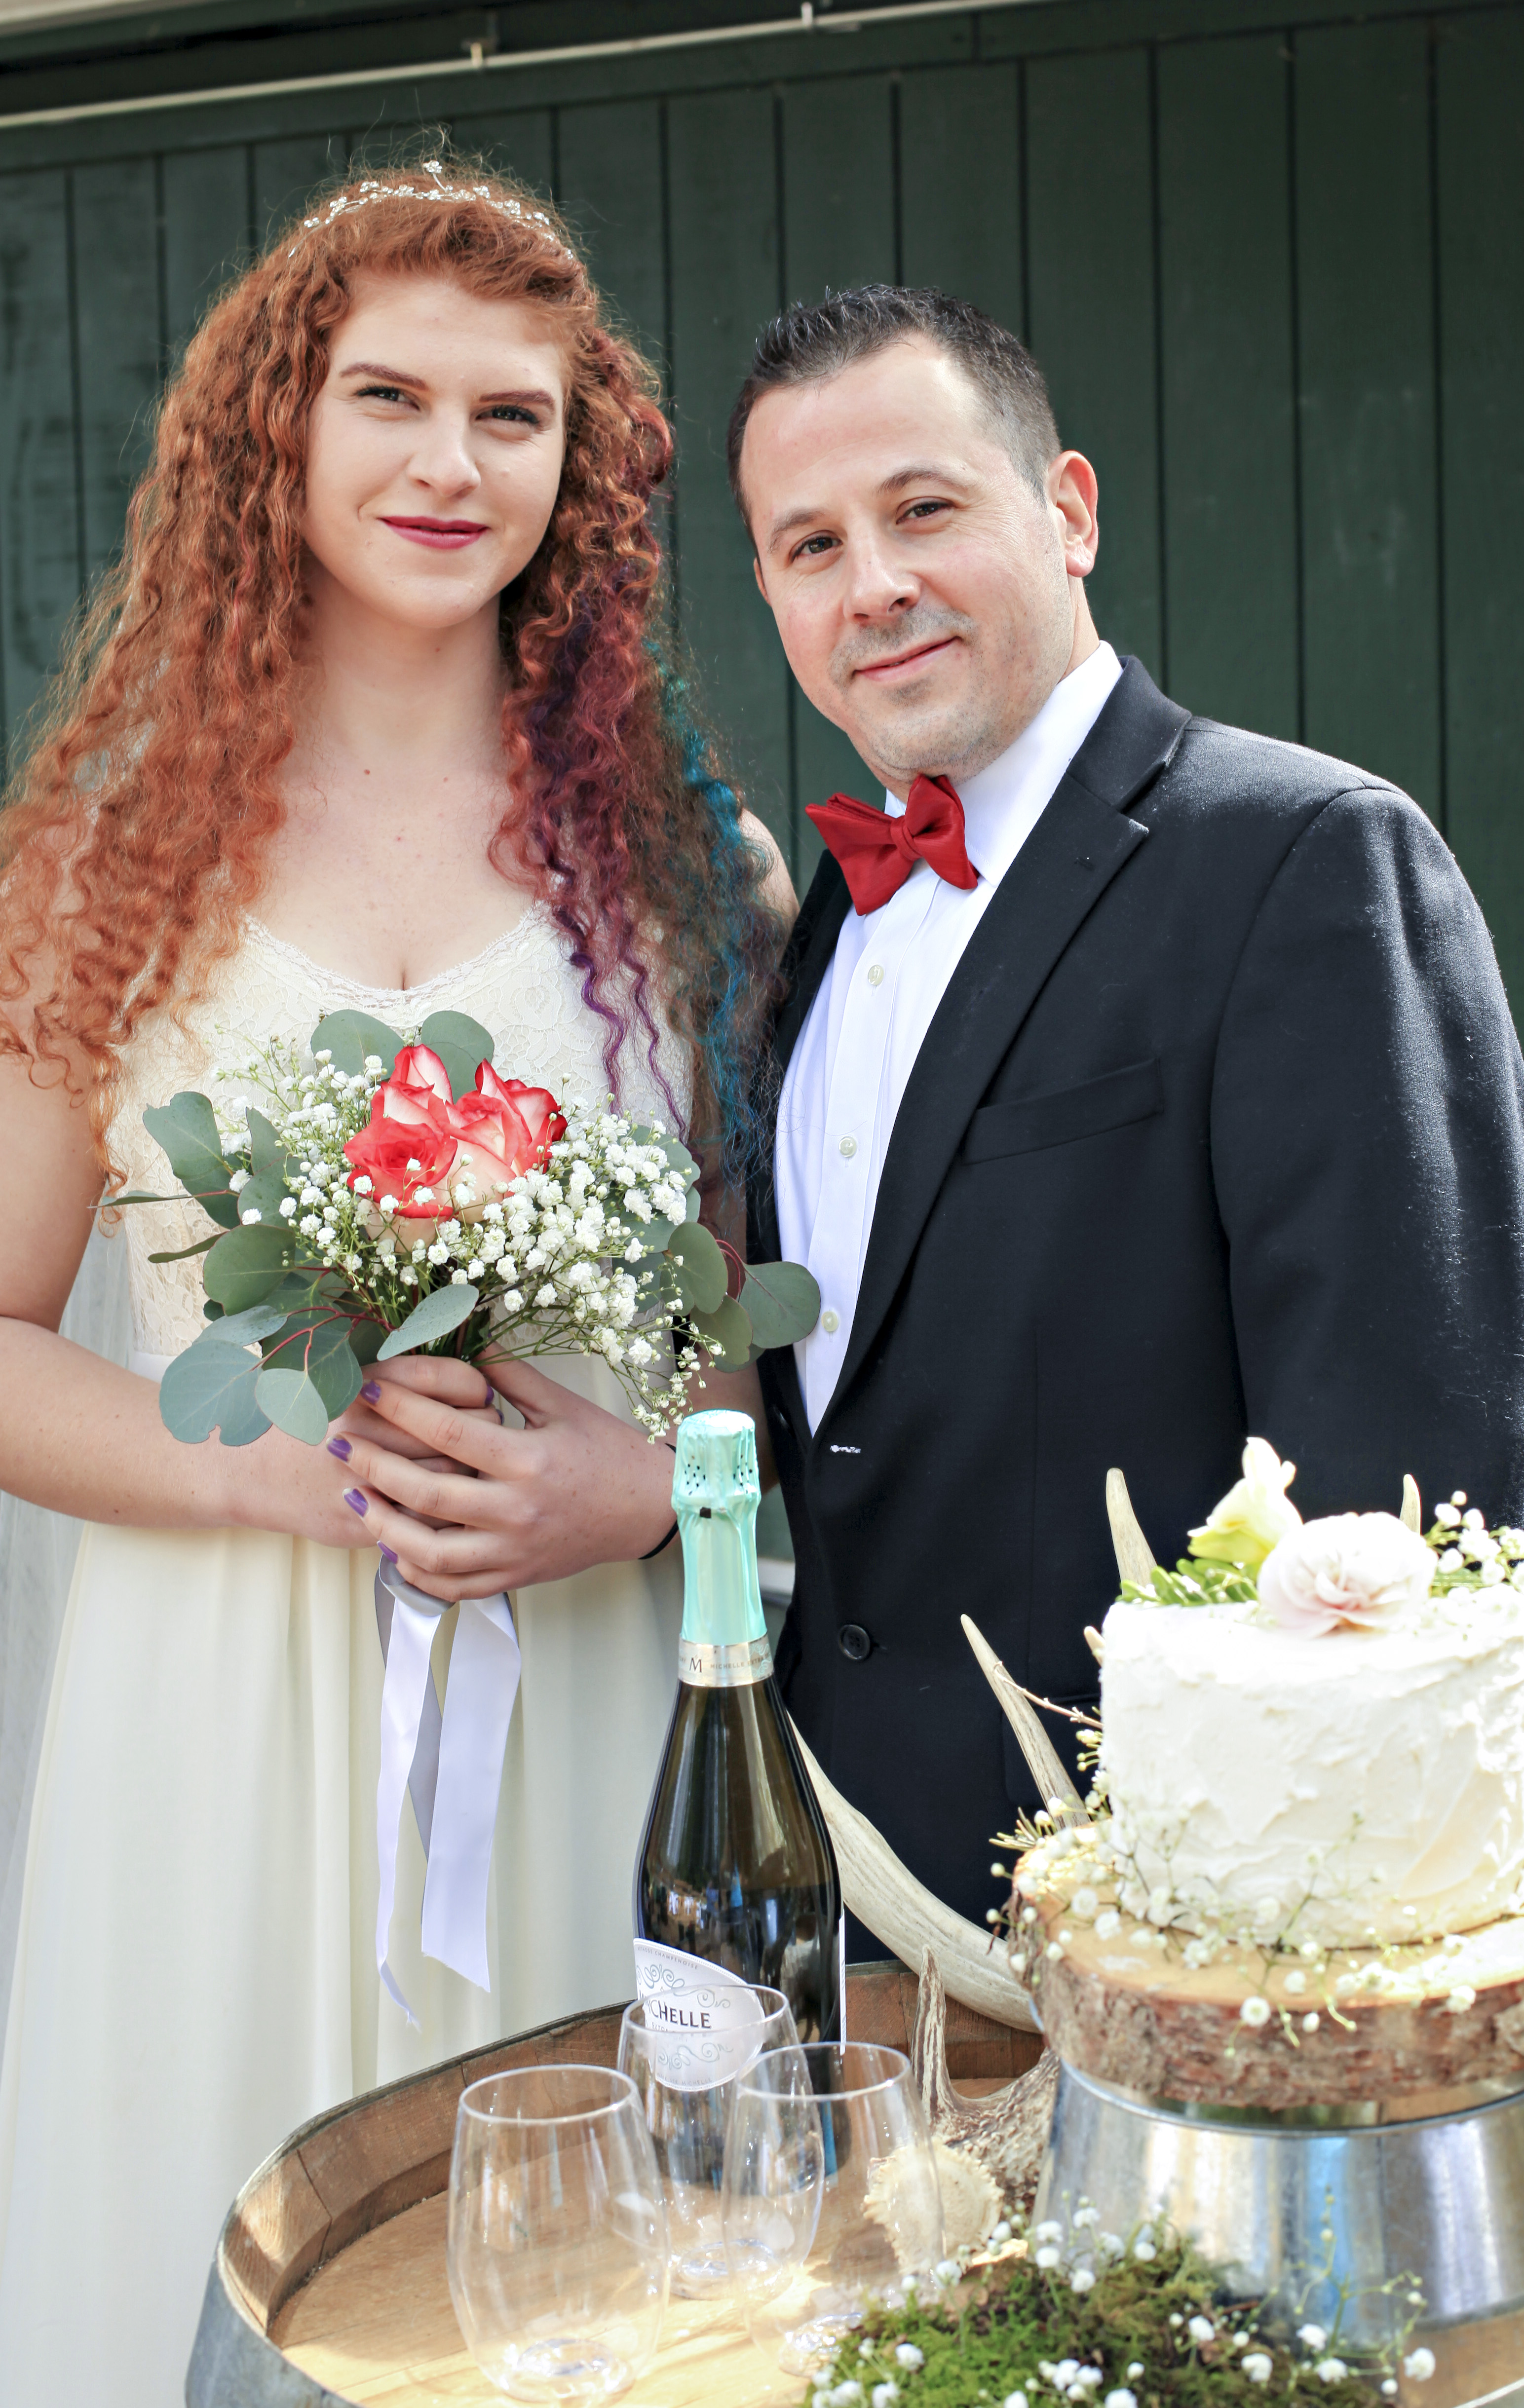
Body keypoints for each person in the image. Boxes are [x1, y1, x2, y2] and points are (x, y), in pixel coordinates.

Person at [0, 156, 787, 2397]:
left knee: (606, 2303)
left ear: (579, 468)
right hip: (211, 1705)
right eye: (390, 398)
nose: (451, 464)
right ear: (283, 430)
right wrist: (274, 1479)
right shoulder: (97, 867)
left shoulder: (677, 864)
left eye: (513, 416)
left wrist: (640, 1484)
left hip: (584, 1690)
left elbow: (750, 1341)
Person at [724, 286, 1524, 1942]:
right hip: (842, 1896)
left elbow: (1395, 1485)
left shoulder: (1306, 862)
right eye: (810, 546)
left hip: (1179, 1926)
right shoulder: (820, 925)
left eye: (923, 510)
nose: (873, 584)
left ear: (1069, 510)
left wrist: (1253, 1950)